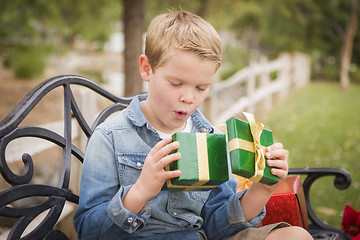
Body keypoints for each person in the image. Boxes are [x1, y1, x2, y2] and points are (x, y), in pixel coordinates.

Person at [73, 11, 313, 240]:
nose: (189, 98)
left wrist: (262, 190)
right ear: (147, 69)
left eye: (201, 88)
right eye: (176, 83)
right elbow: (88, 231)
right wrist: (140, 191)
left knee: (296, 235)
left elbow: (218, 226)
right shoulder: (111, 136)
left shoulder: (209, 138)